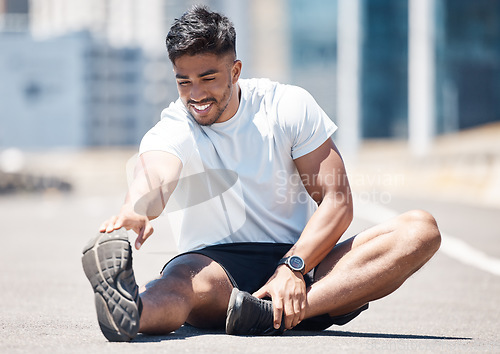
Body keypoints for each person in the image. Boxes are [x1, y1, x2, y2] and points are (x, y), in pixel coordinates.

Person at [82, 5, 441, 342]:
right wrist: (136, 207)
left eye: (207, 78)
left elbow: (337, 201)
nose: (196, 94)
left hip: (306, 263)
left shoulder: (286, 106)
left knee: (420, 229)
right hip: (216, 268)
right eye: (184, 82)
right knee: (179, 284)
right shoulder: (174, 126)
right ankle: (132, 311)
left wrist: (293, 267)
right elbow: (156, 171)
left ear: (235, 71)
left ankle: (267, 314)